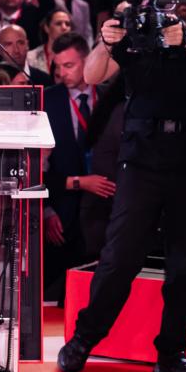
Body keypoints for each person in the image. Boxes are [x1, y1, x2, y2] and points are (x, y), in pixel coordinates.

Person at [59, 0, 186, 372]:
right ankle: (83, 340)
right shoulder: (140, 29)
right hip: (141, 159)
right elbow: (92, 74)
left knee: (185, 266)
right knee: (118, 258)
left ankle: (172, 352)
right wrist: (107, 40)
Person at [43, 33, 114, 300]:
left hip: (106, 210)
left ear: (88, 61)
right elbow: (37, 167)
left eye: (69, 65)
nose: (62, 73)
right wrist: (46, 210)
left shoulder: (109, 96)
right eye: (58, 66)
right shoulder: (46, 100)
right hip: (62, 214)